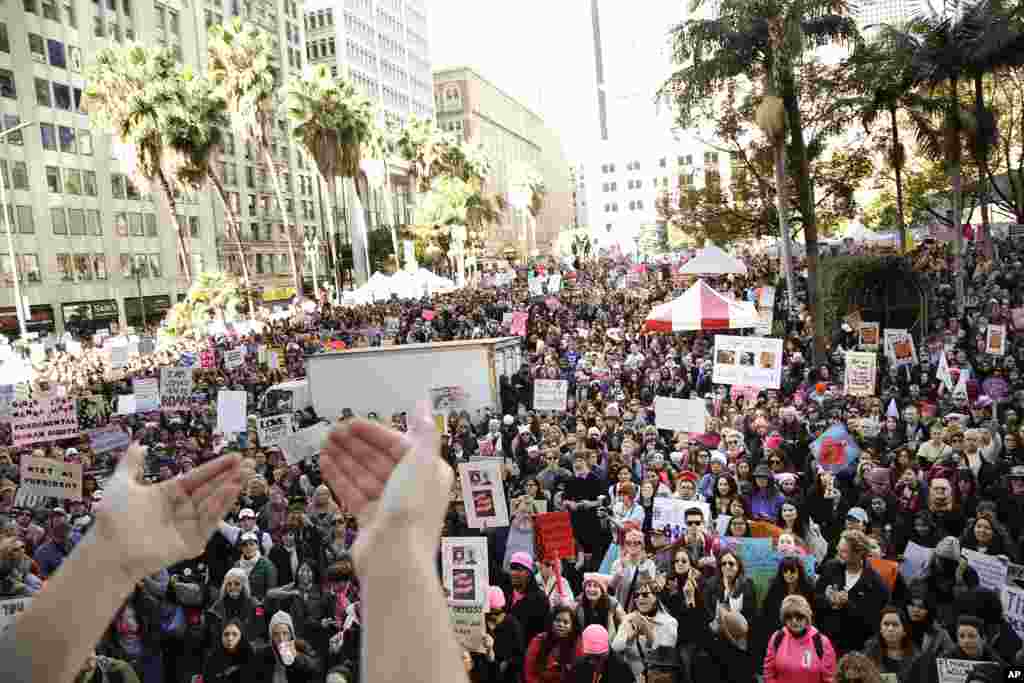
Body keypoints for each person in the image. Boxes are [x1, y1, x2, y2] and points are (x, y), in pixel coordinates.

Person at [610, 577, 679, 683]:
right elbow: (615, 647)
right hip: (632, 677)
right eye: (636, 595)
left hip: (657, 678)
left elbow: (666, 653)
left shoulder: (668, 622)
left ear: (656, 597)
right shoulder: (629, 619)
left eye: (645, 594)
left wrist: (648, 632)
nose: (640, 598)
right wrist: (630, 638)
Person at [763, 594, 837, 683]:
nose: (794, 621)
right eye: (789, 617)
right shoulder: (777, 638)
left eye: (799, 616)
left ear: (807, 617)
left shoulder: (821, 641)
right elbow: (768, 674)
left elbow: (830, 678)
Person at [523, 605, 582, 683]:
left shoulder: (576, 643)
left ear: (572, 626)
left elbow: (578, 673)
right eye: (557, 620)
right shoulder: (539, 640)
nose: (561, 625)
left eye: (566, 622)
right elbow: (529, 672)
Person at [202, 618, 256, 683]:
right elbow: (208, 676)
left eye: (235, 634)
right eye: (226, 634)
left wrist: (236, 668)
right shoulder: (215, 653)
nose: (230, 638)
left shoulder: (247, 652)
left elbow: (252, 671)